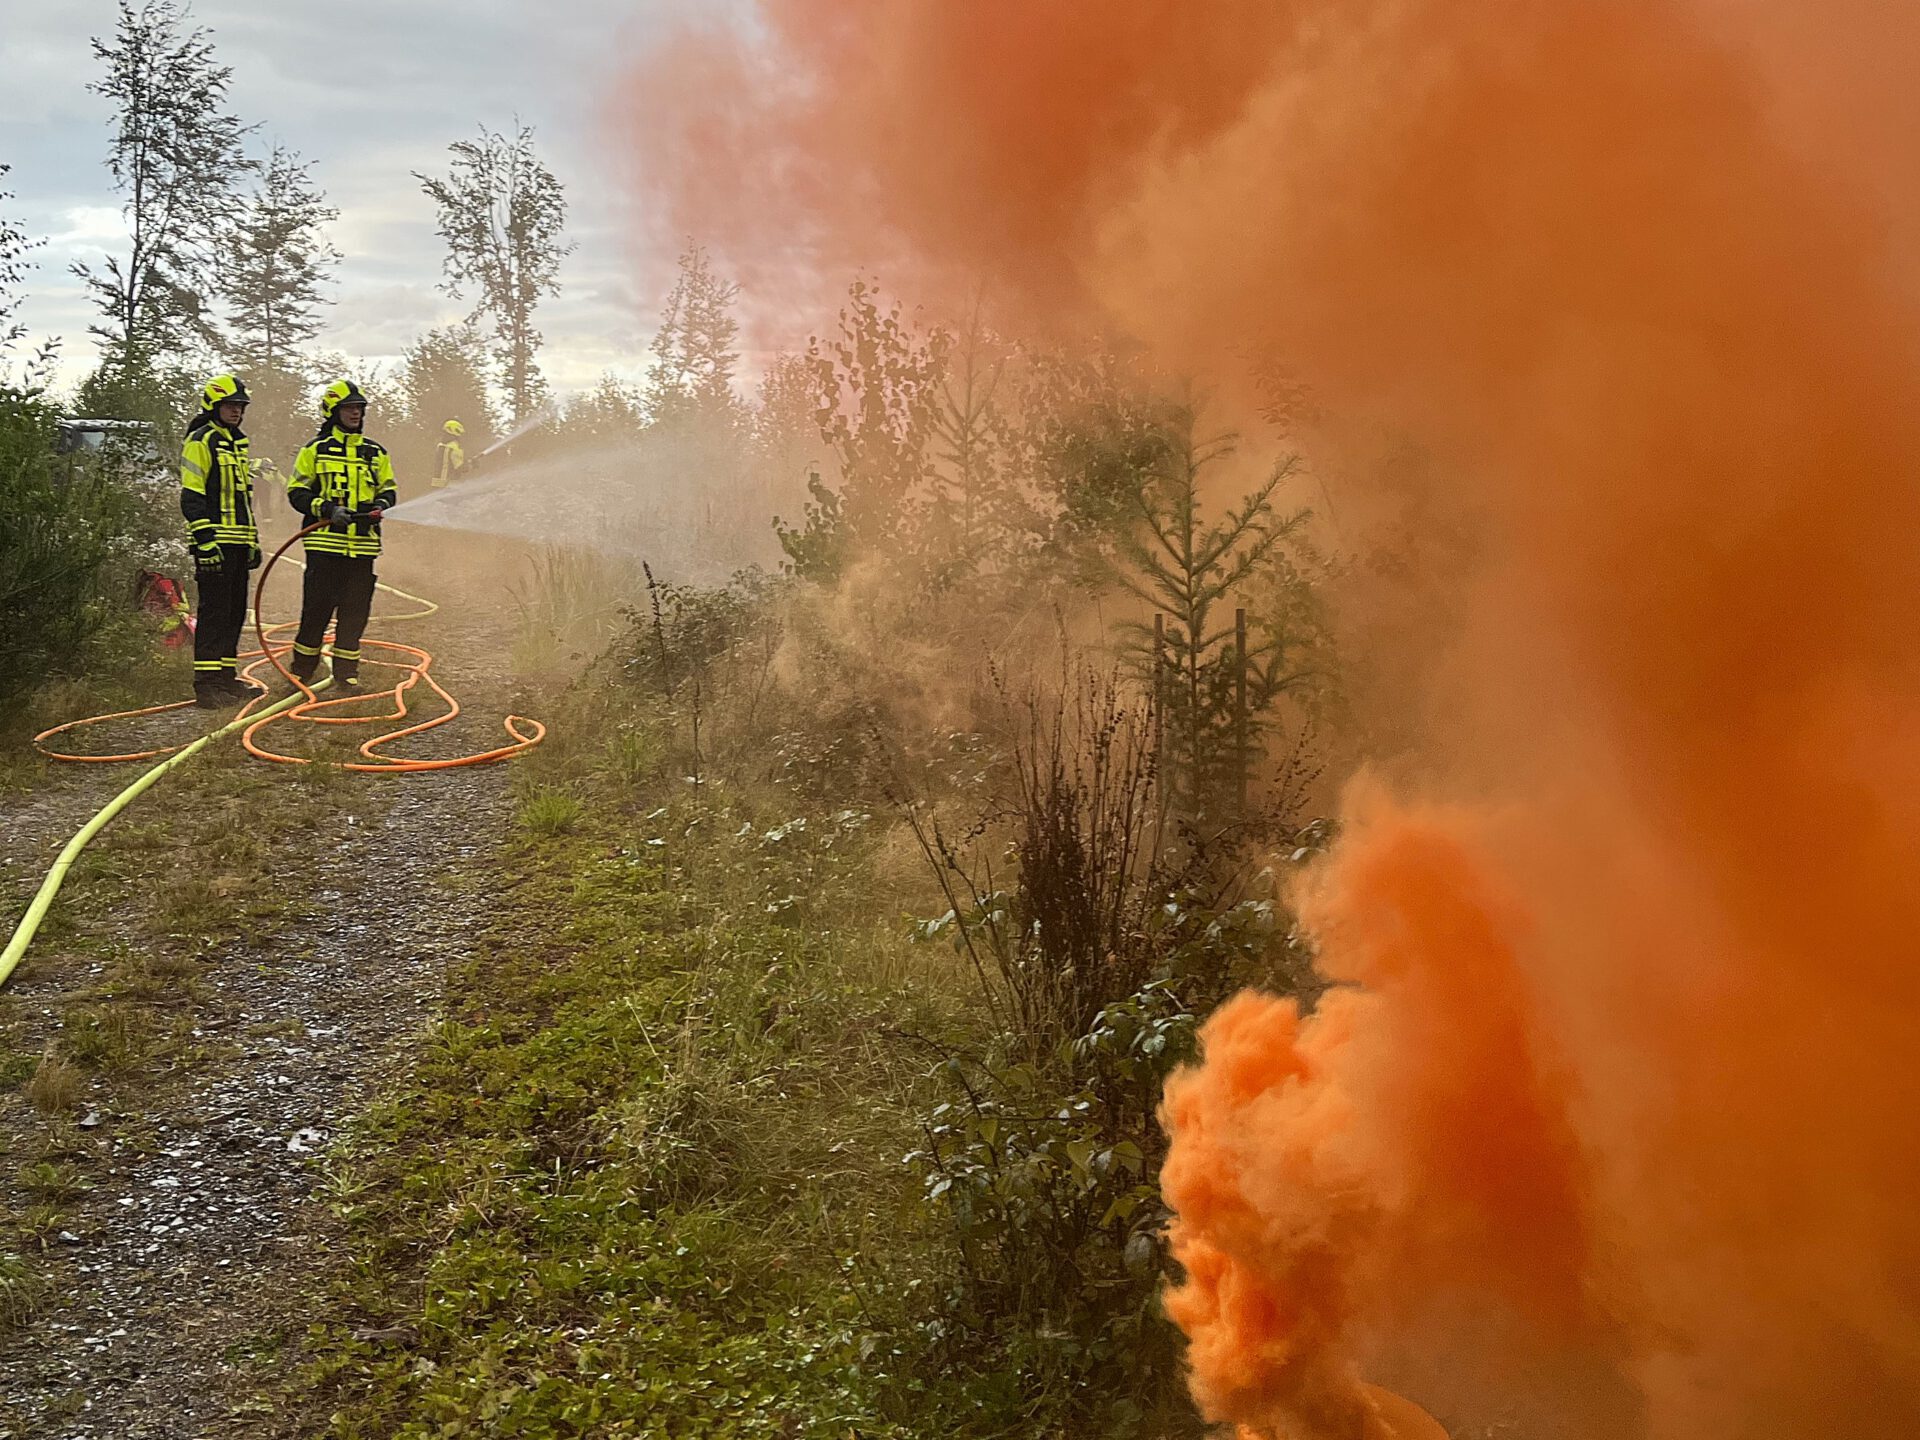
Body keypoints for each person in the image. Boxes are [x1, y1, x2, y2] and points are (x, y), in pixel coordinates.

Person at [284, 380, 397, 691]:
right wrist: (327, 509)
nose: (355, 413)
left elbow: (388, 489)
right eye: (349, 408)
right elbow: (296, 493)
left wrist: (380, 505)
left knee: (355, 614)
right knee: (316, 612)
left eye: (359, 408)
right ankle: (302, 671)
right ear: (333, 411)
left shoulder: (375, 452)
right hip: (324, 546)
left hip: (362, 547)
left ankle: (346, 674)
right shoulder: (314, 450)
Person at [179, 374, 261, 707]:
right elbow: (192, 495)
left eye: (240, 406)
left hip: (238, 543)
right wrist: (205, 540)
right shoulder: (202, 440)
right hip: (214, 544)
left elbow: (242, 499)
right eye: (230, 405)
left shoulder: (236, 443)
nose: (236, 411)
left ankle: (227, 679)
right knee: (213, 613)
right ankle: (207, 684)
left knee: (234, 611)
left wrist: (252, 540)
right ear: (214, 405)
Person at [432, 419, 466, 488]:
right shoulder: (453, 447)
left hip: (437, 482)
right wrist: (472, 463)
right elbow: (460, 468)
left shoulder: (441, 445)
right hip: (448, 484)